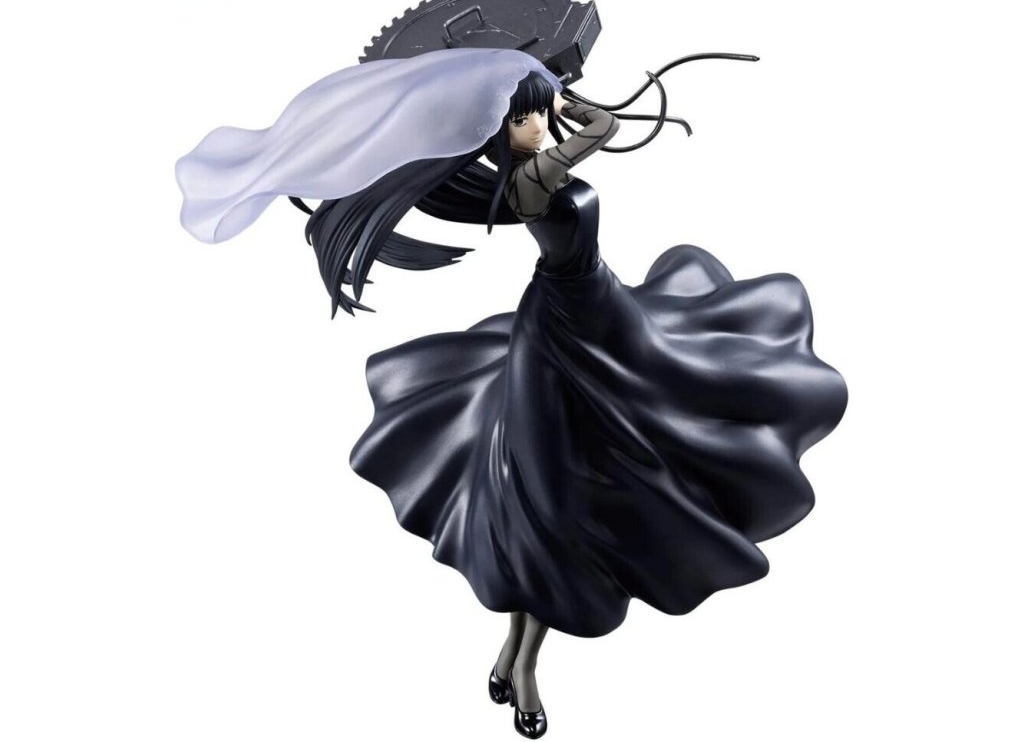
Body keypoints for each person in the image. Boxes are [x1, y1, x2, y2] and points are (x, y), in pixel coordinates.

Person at [177, 48, 848, 740]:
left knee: (639, 429)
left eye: (538, 118)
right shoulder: (531, 179)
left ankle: (512, 656)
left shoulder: (536, 165)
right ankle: (523, 667)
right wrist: (560, 100)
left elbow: (587, 137)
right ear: (501, 129)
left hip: (601, 313)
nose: (538, 127)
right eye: (524, 118)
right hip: (567, 327)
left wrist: (544, 92)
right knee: (553, 500)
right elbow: (605, 129)